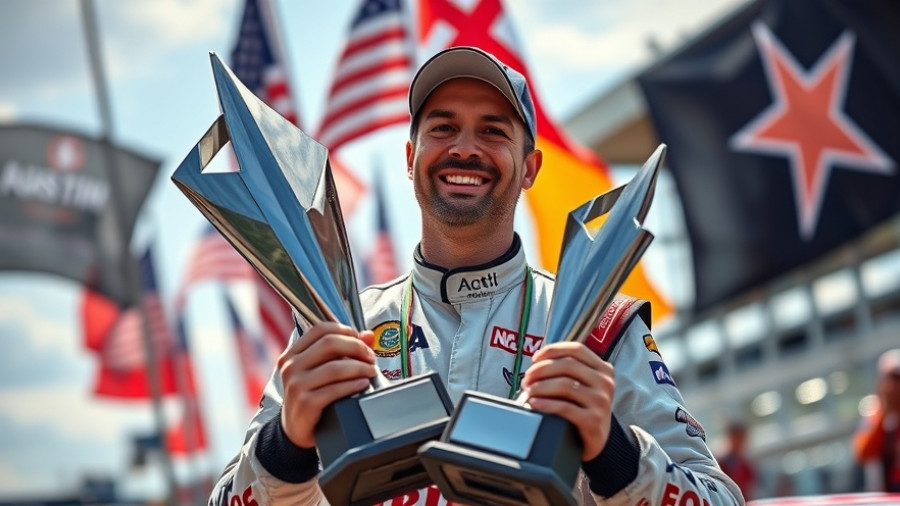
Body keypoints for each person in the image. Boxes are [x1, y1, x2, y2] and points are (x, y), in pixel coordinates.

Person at [209, 46, 743, 505]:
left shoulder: (599, 327)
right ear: (411, 157)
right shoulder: (335, 326)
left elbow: (718, 497)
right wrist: (284, 444)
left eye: (492, 131)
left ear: (529, 168)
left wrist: (614, 452)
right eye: (443, 128)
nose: (465, 148)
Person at [854, 348, 900, 492]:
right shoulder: (874, 411)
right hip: (888, 493)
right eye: (891, 378)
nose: (895, 385)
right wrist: (884, 411)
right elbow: (862, 453)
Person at [716, 421, 756, 499]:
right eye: (738, 437)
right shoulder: (722, 462)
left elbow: (750, 488)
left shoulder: (745, 463)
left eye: (742, 437)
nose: (741, 441)